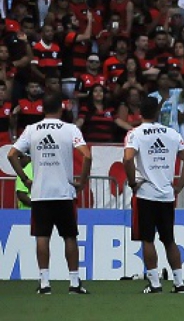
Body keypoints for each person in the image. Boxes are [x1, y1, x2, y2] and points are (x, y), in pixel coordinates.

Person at [7, 93, 92, 295]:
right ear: (61, 109)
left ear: (43, 109)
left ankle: (44, 283)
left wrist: (25, 179)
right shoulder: (70, 129)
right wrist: (83, 180)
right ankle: (74, 283)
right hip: (64, 192)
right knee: (70, 237)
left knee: (42, 237)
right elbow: (87, 155)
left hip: (40, 193)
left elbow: (12, 154)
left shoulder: (31, 129)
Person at [123, 96, 184, 293]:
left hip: (145, 193)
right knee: (169, 239)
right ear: (158, 113)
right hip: (167, 195)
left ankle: (154, 283)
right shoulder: (172, 134)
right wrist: (179, 185)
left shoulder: (134, 134)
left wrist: (131, 182)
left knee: (147, 239)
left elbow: (127, 159)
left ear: (139, 112)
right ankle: (179, 283)